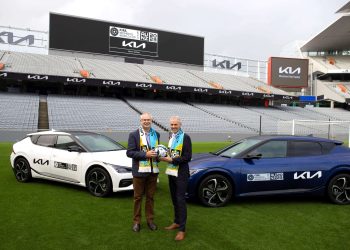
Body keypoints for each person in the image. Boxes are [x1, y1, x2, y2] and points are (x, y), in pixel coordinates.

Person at [159, 116, 192, 241]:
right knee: (174, 199)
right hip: (171, 172)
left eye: (175, 125)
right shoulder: (171, 136)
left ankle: (182, 229)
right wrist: (162, 155)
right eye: (171, 124)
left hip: (181, 173)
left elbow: (188, 157)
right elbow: (170, 152)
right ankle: (177, 222)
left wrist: (172, 159)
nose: (173, 126)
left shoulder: (185, 137)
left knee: (180, 200)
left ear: (180, 124)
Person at [126, 112, 159, 232]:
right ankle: (136, 222)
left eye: (148, 120)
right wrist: (145, 154)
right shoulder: (134, 135)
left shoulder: (157, 134)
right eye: (144, 120)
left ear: (151, 120)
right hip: (139, 172)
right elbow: (129, 152)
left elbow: (156, 151)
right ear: (140, 121)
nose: (146, 121)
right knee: (138, 197)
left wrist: (159, 154)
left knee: (150, 197)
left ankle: (150, 220)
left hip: (153, 171)